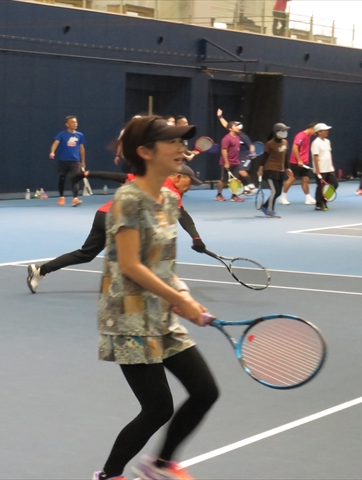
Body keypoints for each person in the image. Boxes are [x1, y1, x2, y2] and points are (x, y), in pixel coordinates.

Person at [93, 116, 218, 480]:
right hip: (128, 318)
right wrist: (180, 300)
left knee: (205, 391)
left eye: (183, 142)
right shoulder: (128, 199)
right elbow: (130, 265)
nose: (182, 149)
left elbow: (162, 264)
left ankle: (159, 464)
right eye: (173, 142)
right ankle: (109, 475)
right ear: (146, 152)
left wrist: (183, 295)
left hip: (161, 316)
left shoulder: (169, 199)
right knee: (157, 408)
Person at [26, 165, 207, 293]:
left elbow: (117, 177)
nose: (190, 187)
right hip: (118, 220)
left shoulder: (149, 176)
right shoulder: (171, 191)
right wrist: (196, 238)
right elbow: (182, 216)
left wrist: (87, 174)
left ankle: (40, 270)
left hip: (103, 215)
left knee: (86, 254)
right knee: (139, 253)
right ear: (178, 177)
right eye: (189, 182)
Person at [216, 110, 256, 193]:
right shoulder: (228, 137)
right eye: (235, 126)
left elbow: (251, 145)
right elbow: (226, 125)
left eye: (236, 126)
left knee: (240, 173)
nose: (236, 127)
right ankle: (220, 194)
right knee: (226, 178)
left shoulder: (242, 136)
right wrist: (220, 116)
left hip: (243, 157)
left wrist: (252, 152)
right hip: (233, 159)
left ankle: (249, 186)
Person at [49, 116, 86, 206]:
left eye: (76, 122)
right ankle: (61, 197)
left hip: (75, 161)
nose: (75, 124)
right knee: (62, 178)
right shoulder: (61, 134)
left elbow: (81, 149)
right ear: (67, 124)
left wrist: (83, 161)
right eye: (72, 122)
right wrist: (52, 152)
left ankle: (75, 199)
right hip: (63, 160)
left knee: (75, 179)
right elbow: (55, 143)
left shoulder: (80, 135)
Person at [258, 123, 291, 218]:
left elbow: (285, 157)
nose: (285, 132)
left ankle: (264, 206)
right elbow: (264, 157)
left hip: (281, 170)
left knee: (278, 192)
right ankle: (270, 210)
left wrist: (288, 168)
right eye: (283, 130)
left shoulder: (285, 142)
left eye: (285, 131)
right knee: (274, 191)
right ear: (277, 132)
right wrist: (260, 168)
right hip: (270, 170)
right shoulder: (269, 144)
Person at [280, 123, 317, 205]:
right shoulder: (301, 135)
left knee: (305, 179)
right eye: (315, 131)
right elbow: (294, 148)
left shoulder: (308, 136)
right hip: (296, 162)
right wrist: (299, 160)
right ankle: (283, 197)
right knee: (291, 178)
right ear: (311, 128)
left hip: (304, 162)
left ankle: (308, 198)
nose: (316, 133)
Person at [215, 121, 247, 202]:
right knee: (223, 179)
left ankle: (234, 196)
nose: (237, 127)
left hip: (236, 162)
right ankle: (218, 195)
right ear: (230, 128)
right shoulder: (226, 138)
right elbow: (224, 150)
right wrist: (226, 162)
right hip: (226, 162)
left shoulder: (238, 138)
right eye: (235, 126)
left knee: (235, 180)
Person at [311, 123, 338, 211]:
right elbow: (315, 156)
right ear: (319, 132)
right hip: (321, 169)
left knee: (335, 184)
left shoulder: (327, 141)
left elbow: (329, 154)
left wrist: (332, 164)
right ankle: (319, 204)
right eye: (324, 130)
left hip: (329, 168)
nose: (327, 132)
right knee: (321, 187)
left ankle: (324, 200)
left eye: (327, 130)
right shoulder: (315, 143)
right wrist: (317, 169)